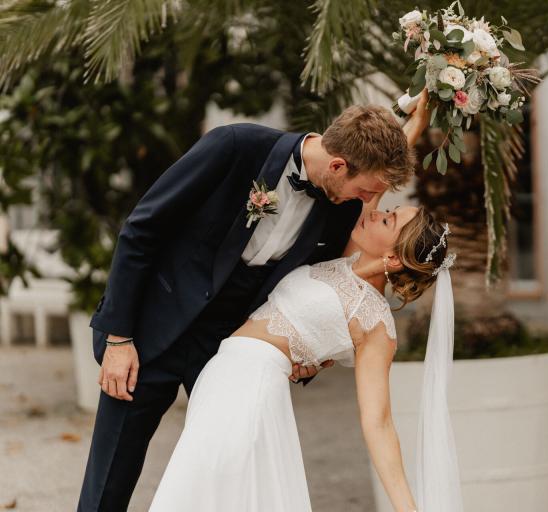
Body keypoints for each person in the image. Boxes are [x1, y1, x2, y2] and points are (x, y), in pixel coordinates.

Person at [78, 94, 430, 511]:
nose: (367, 201)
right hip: (149, 333)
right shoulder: (234, 146)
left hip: (226, 351)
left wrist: (304, 351)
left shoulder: (339, 204)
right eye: (365, 191)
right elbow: (141, 230)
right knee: (109, 484)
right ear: (337, 166)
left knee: (224, 483)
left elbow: (337, 283)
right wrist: (119, 338)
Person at [148, 205, 462, 512]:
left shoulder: (375, 321)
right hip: (222, 378)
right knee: (204, 492)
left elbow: (378, 421)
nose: (376, 214)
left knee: (192, 491)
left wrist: (405, 507)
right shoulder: (345, 261)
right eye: (387, 210)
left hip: (252, 389)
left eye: (388, 220)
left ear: (392, 258)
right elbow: (374, 182)